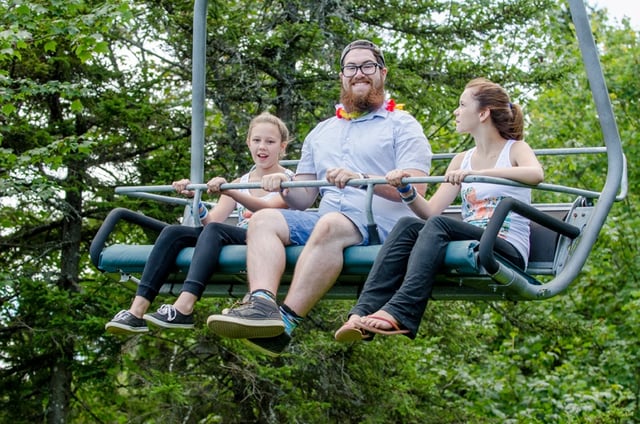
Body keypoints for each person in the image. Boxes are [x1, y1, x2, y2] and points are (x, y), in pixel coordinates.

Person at [205, 39, 433, 356]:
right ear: (342, 76)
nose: (359, 74)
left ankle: (285, 322)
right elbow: (303, 198)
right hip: (328, 218)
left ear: (382, 73)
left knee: (329, 224)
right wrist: (281, 186)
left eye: (367, 66)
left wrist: (361, 179)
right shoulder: (322, 132)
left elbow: (416, 189)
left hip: (380, 226)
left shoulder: (402, 125)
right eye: (351, 68)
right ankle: (261, 305)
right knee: (265, 219)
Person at [333, 77, 544, 342]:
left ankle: (401, 310)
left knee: (439, 226)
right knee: (408, 225)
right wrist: (405, 190)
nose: (456, 112)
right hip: (474, 238)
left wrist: (478, 175)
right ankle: (362, 312)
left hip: (502, 246)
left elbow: (536, 174)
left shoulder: (515, 149)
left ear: (483, 113)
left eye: (462, 105)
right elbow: (431, 211)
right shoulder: (461, 160)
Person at [105, 112, 294, 334]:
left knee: (215, 231)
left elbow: (268, 209)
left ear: (282, 147)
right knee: (174, 232)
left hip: (268, 238)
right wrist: (194, 199)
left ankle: (184, 306)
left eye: (270, 142)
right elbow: (212, 220)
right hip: (237, 234)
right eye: (257, 140)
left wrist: (231, 192)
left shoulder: (288, 180)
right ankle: (136, 311)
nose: (262, 147)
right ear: (248, 143)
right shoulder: (239, 182)